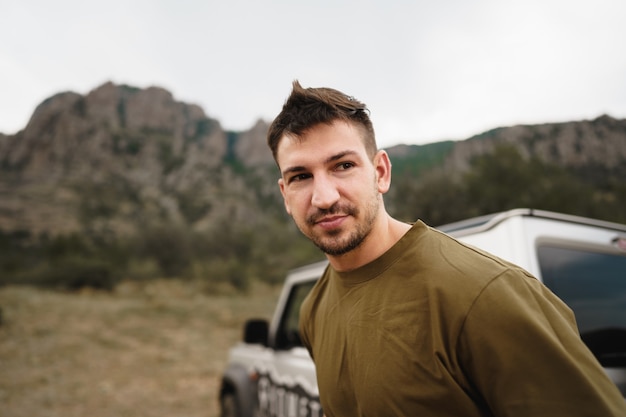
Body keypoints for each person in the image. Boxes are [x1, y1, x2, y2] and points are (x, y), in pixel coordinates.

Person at [266, 80, 626, 416]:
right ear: (284, 195)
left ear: (381, 173)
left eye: (343, 166)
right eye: (301, 176)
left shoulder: (487, 293)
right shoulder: (315, 308)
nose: (325, 197)